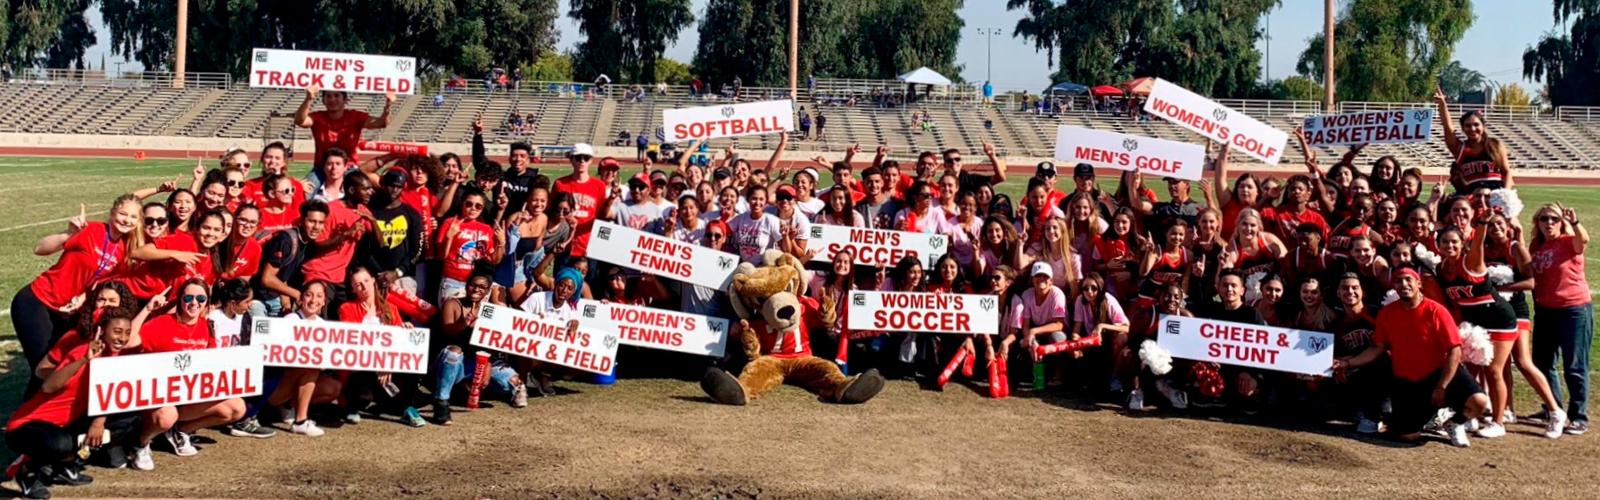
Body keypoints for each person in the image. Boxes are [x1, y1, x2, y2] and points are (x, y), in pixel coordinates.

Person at [1334, 267, 1490, 447]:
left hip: (1439, 373)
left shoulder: (1436, 311)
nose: (1404, 284)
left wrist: (1442, 386)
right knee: (1407, 436)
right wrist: (1347, 362)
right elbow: (1377, 348)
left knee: (1479, 402)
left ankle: (1455, 422)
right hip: (1408, 381)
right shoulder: (1388, 313)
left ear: (1418, 284)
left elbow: (1454, 350)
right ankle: (1431, 416)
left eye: (1408, 280)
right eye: (1399, 281)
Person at [12, 195, 142, 393]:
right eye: (123, 214)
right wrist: (68, 234)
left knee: (59, 364)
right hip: (38, 300)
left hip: (67, 312)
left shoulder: (124, 249)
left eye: (133, 217)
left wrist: (82, 298)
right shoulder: (90, 230)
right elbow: (39, 249)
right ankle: (27, 420)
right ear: (112, 212)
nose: (127, 220)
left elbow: (99, 281)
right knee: (42, 368)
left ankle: (45, 417)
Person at [6, 311, 137, 498]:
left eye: (126, 332)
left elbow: (110, 396)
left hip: (67, 423)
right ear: (102, 331)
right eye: (117, 331)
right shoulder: (81, 352)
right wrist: (84, 359)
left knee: (127, 419)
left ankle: (64, 465)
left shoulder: (116, 358)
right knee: (60, 444)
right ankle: (26, 473)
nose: (122, 338)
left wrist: (98, 422)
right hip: (28, 425)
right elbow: (49, 386)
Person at [131, 278, 249, 470]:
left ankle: (180, 431)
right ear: (180, 299)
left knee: (237, 407)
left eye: (201, 298)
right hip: (158, 395)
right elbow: (129, 341)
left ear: (207, 302)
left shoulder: (207, 327)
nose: (194, 303)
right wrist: (147, 310)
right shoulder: (162, 323)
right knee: (167, 415)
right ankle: (141, 443)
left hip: (187, 394)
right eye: (188, 297)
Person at [1528, 203, 1590, 435]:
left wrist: (1574, 222)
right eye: (1544, 219)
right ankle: (1554, 408)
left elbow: (1582, 241)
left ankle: (1579, 415)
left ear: (1561, 221)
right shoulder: (1536, 245)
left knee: (1574, 364)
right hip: (1545, 310)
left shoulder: (1568, 240)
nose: (1549, 223)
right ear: (1538, 222)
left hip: (1573, 309)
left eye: (1554, 219)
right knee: (1543, 362)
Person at [267, 281, 342, 437]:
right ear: (301, 298)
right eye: (309, 295)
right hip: (277, 387)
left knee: (333, 388)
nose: (314, 300)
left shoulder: (324, 326)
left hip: (300, 383)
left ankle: (290, 406)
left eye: (319, 296)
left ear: (324, 302)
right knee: (310, 365)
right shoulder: (291, 320)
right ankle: (301, 421)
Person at [250, 200, 325, 319]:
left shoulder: (307, 243)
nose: (316, 227)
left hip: (275, 300)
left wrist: (286, 303)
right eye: (312, 221)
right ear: (301, 220)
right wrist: (296, 294)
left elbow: (282, 275)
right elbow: (267, 278)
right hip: (256, 300)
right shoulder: (285, 240)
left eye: (321, 222)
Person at [1435, 85, 1513, 193]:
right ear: (1462, 128)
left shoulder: (1495, 145)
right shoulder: (1459, 148)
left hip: (1495, 195)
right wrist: (1442, 104)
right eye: (1467, 125)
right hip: (1470, 196)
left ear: (1483, 126)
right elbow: (1448, 128)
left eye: (1476, 125)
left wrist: (1506, 195)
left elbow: (1506, 172)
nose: (1472, 129)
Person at [295, 85, 395, 169]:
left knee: (364, 188)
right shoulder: (317, 117)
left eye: (336, 95)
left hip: (350, 167)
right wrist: (308, 99)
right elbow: (300, 121)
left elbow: (381, 123)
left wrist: (388, 107)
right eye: (328, 96)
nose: (332, 99)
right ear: (323, 101)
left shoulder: (355, 117)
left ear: (345, 100)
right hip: (322, 168)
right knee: (306, 190)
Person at [435, 191, 501, 299]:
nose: (473, 208)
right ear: (462, 204)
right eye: (469, 204)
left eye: (478, 206)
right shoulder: (450, 223)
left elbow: (493, 260)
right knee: (452, 314)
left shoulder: (487, 229)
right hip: (453, 281)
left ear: (482, 208)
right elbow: (441, 256)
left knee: (473, 316)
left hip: (477, 284)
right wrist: (449, 237)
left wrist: (501, 243)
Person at [472, 114, 538, 221]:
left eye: (522, 156)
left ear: (529, 160)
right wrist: (478, 134)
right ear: (509, 158)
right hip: (500, 223)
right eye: (514, 155)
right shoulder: (502, 176)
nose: (518, 159)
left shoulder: (534, 180)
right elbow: (480, 161)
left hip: (523, 225)